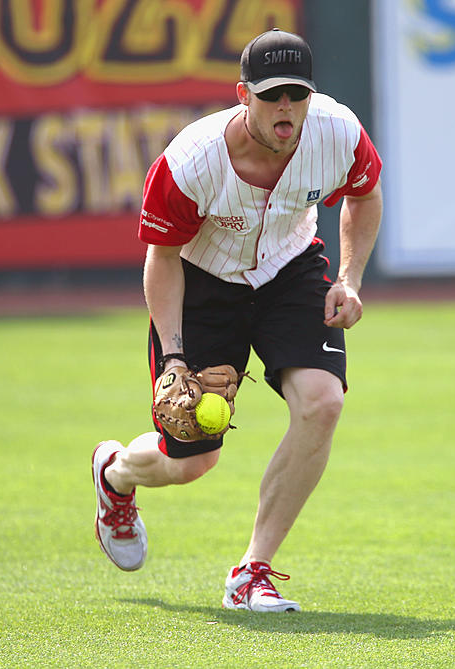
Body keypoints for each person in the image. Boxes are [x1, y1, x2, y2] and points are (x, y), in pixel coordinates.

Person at [90, 28, 383, 612]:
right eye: (272, 94)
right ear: (243, 93)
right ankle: (117, 475)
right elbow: (162, 260)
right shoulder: (192, 161)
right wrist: (174, 357)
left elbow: (365, 195)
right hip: (202, 286)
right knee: (192, 459)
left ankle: (252, 571)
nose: (286, 108)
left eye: (296, 94)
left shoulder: (337, 132)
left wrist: (349, 278)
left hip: (291, 270)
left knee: (323, 402)